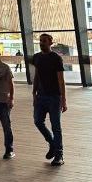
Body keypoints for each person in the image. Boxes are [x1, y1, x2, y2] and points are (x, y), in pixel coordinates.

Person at [32, 32, 67, 166]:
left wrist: (63, 100)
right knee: (37, 121)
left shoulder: (56, 58)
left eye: (44, 41)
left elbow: (61, 81)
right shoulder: (36, 58)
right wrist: (33, 93)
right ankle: (52, 143)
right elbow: (36, 76)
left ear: (50, 43)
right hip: (40, 97)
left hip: (54, 97)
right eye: (40, 41)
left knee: (56, 127)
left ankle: (59, 155)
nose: (42, 43)